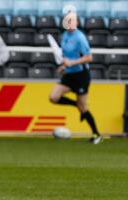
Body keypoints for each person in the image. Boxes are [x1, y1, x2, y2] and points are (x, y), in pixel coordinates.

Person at [49, 12, 102, 144]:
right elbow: (67, 56)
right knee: (53, 97)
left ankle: (96, 134)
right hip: (69, 74)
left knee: (84, 107)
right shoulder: (65, 35)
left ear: (77, 23)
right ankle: (75, 105)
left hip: (81, 75)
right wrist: (64, 66)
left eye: (72, 21)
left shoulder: (80, 37)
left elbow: (89, 57)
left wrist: (72, 63)